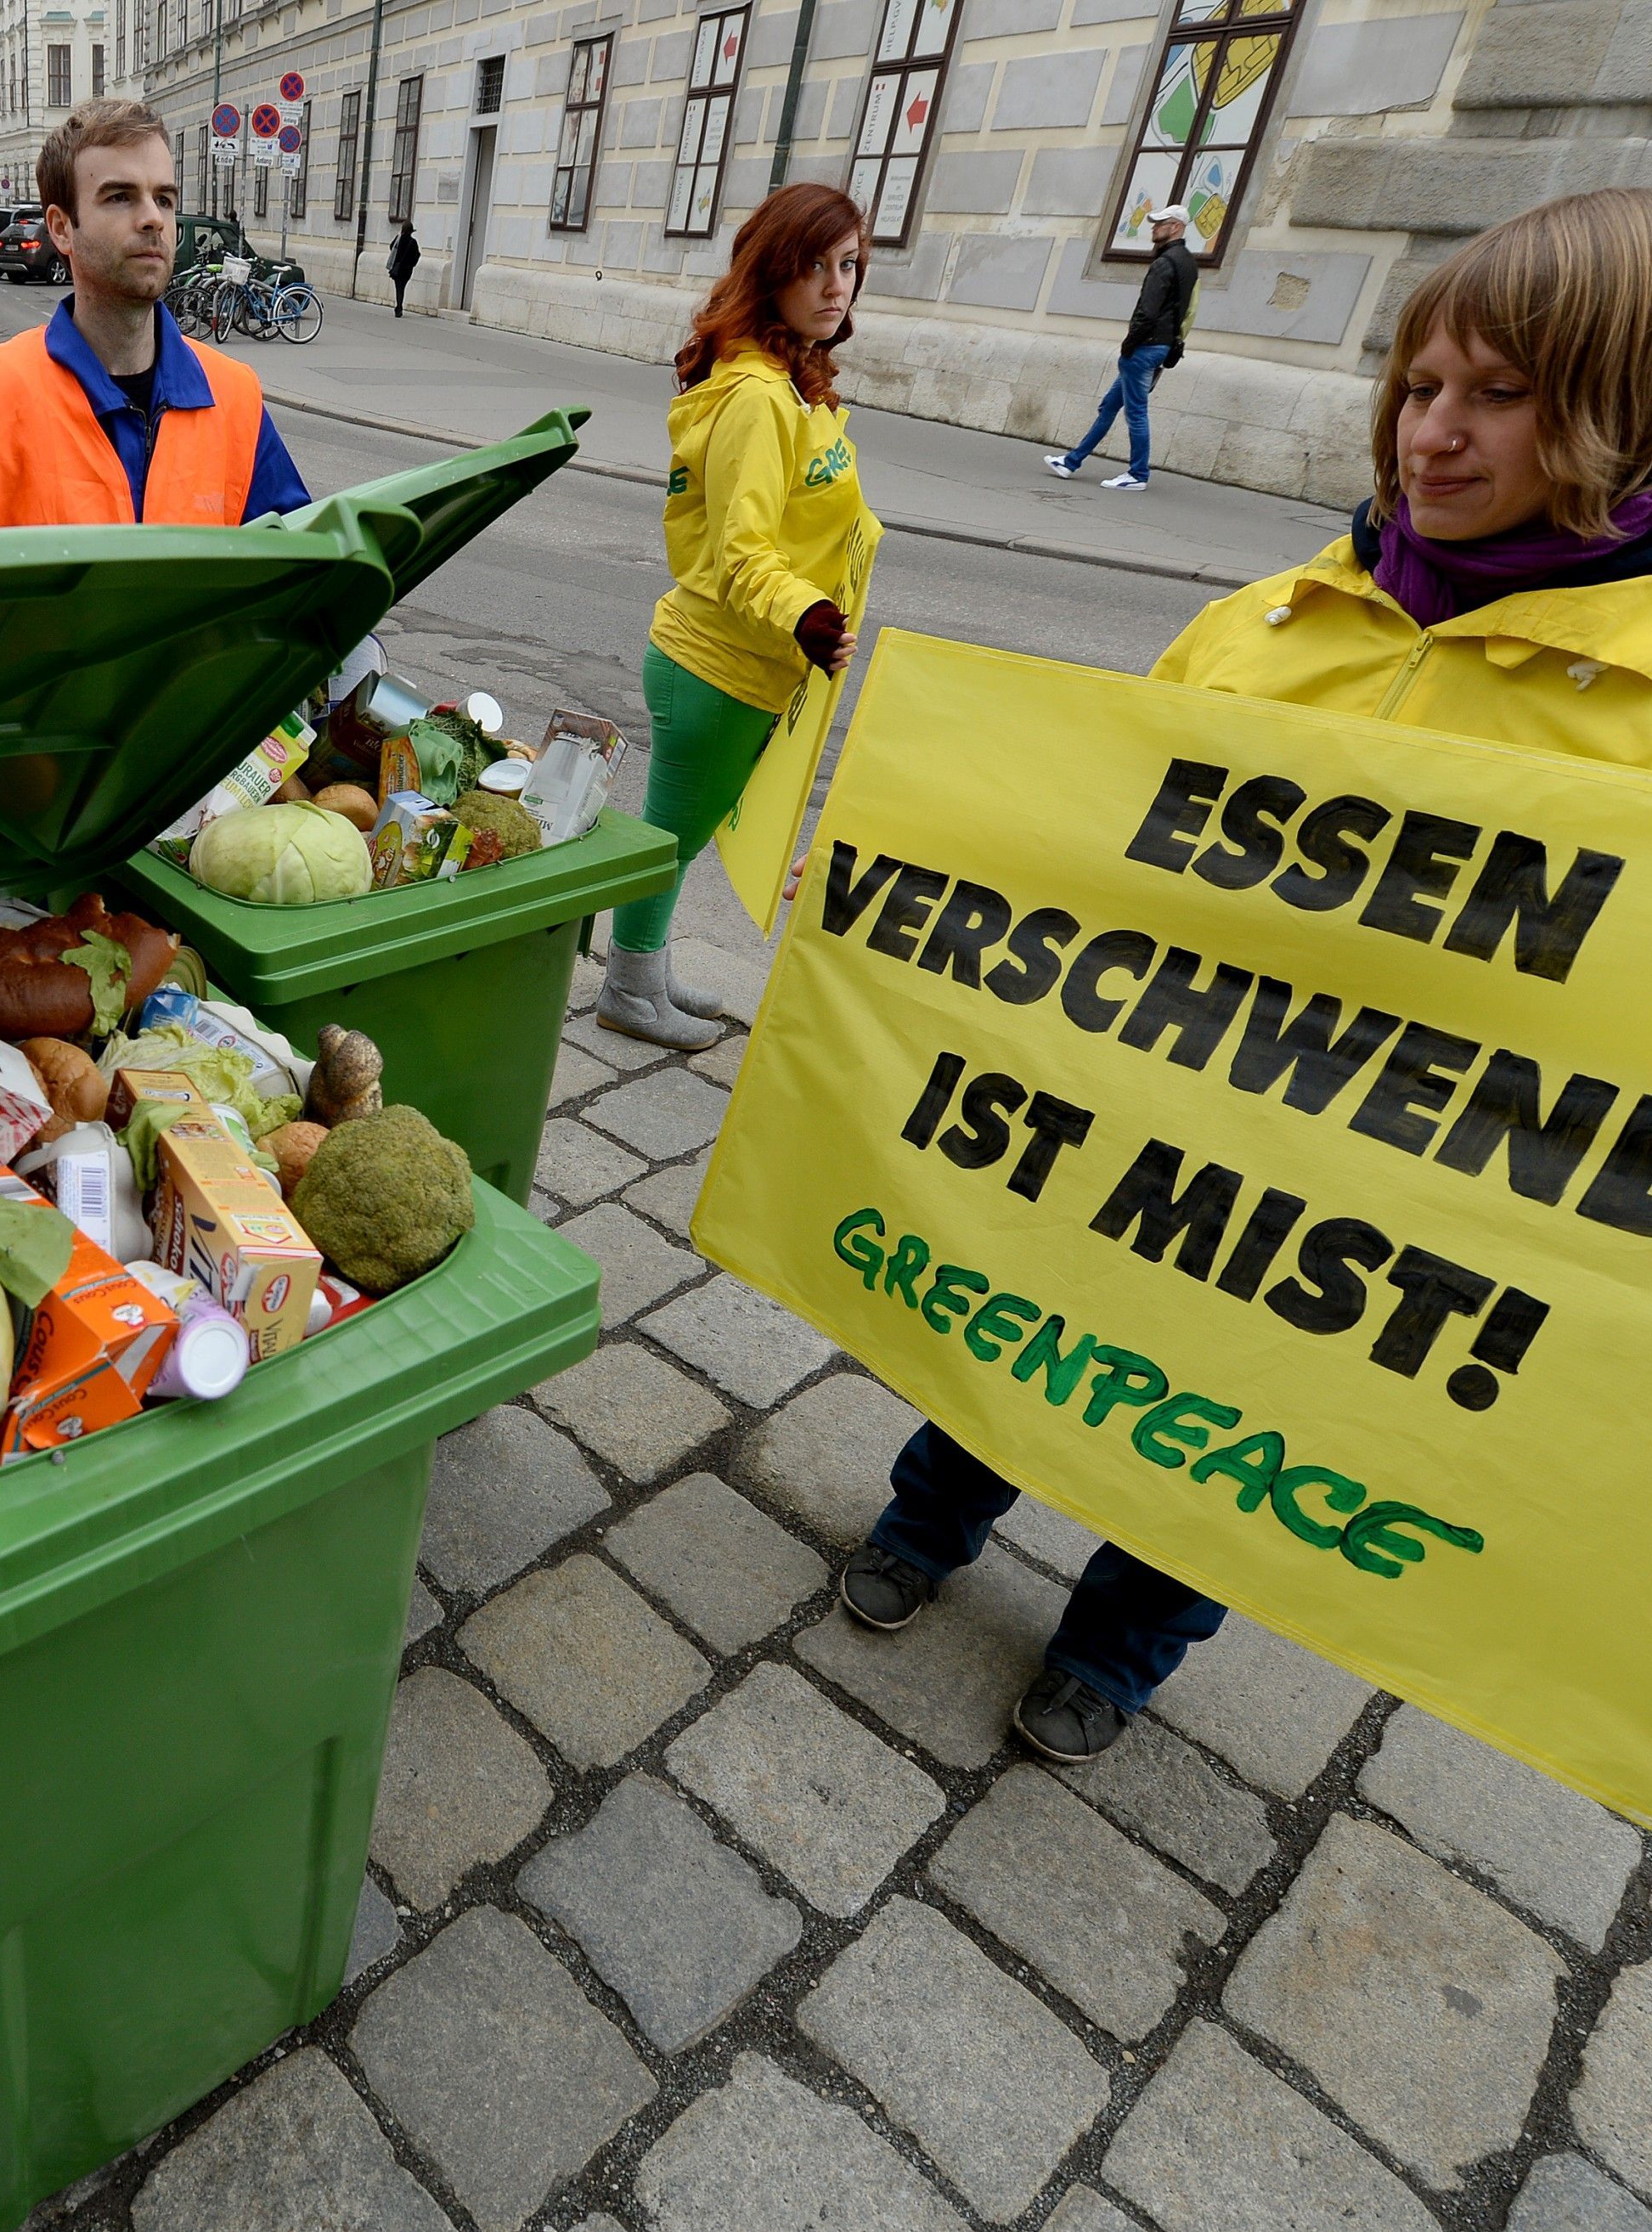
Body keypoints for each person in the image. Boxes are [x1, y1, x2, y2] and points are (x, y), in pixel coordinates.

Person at [843, 187, 1652, 1764]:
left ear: (1618, 409)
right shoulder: (1270, 623)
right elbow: (1082, 834)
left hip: (1386, 1200)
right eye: (1421, 386)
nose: (1435, 434)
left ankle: (1121, 1643)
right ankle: (927, 1520)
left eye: (1499, 394)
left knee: (1255, 1419)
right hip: (1137, 1114)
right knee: (1024, 1311)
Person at [600, 182, 871, 1051]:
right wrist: (810, 621)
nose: (837, 286)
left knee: (680, 831)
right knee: (671, 838)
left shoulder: (786, 383)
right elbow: (741, 551)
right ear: (773, 272)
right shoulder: (756, 399)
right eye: (817, 266)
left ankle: (643, 968)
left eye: (850, 266)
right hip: (718, 664)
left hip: (739, 661)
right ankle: (629, 987)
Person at [0, 99, 308, 528]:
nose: (153, 219)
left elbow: (302, 572)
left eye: (164, 198)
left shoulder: (233, 398)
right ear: (62, 228)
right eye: (120, 197)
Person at [1046, 203, 1197, 493]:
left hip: (1145, 347)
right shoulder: (1188, 262)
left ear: (1176, 227)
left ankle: (1138, 474)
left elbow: (1147, 310)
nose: (1154, 227)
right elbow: (1188, 308)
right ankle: (1071, 461)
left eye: (1161, 223)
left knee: (1136, 412)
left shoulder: (1165, 263)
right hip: (1161, 345)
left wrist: (1129, 343)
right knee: (1110, 406)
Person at [388, 215, 419, 317]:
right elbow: (417, 255)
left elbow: (391, 247)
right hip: (407, 270)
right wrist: (412, 264)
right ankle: (399, 306)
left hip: (398, 269)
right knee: (402, 287)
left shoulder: (399, 239)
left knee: (398, 288)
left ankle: (399, 307)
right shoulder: (413, 242)